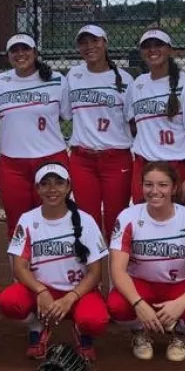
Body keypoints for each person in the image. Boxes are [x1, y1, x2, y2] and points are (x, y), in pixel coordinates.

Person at [106, 160, 185, 362]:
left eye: (163, 185)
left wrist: (181, 303)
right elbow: (118, 269)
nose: (154, 191)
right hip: (141, 284)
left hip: (179, 285)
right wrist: (138, 303)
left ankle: (181, 334)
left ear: (174, 188)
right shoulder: (128, 217)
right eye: (148, 184)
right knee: (117, 306)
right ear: (141, 187)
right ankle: (139, 331)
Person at [0, 163, 109, 360]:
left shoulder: (86, 220)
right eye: (45, 184)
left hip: (78, 292)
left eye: (59, 183)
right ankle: (37, 326)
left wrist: (70, 297)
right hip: (41, 291)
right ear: (37, 188)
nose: (52, 189)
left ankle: (81, 331)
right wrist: (41, 291)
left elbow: (95, 273)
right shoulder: (27, 219)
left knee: (95, 320)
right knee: (10, 302)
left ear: (68, 187)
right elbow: (20, 267)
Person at [0, 32, 69, 233]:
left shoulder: (56, 79)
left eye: (25, 49)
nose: (20, 54)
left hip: (51, 158)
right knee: (17, 224)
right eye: (14, 51)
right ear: (8, 55)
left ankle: (53, 264)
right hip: (12, 163)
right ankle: (21, 265)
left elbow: (63, 114)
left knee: (54, 220)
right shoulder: (1, 81)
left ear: (34, 52)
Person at [124, 28, 185, 211]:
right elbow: (133, 125)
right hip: (145, 165)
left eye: (158, 45)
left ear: (170, 49)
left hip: (179, 165)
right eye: (147, 46)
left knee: (184, 226)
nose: (152, 50)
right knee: (145, 225)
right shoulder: (137, 84)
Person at [65, 24, 133, 241]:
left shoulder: (124, 79)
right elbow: (64, 112)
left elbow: (134, 123)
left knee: (116, 222)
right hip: (82, 159)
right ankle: (94, 275)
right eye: (83, 42)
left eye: (95, 41)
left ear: (105, 43)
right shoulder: (73, 75)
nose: (89, 46)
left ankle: (117, 274)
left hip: (115, 158)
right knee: (87, 222)